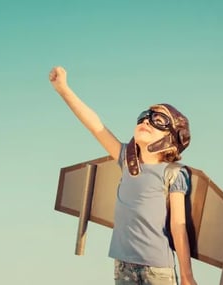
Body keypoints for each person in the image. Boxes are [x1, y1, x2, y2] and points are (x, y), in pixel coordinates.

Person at [49, 66, 198, 285]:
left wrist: (186, 276)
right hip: (123, 265)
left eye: (158, 120)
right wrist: (63, 89)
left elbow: (178, 225)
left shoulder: (173, 173)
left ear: (171, 137)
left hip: (157, 269)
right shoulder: (126, 162)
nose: (146, 121)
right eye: (144, 117)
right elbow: (96, 126)